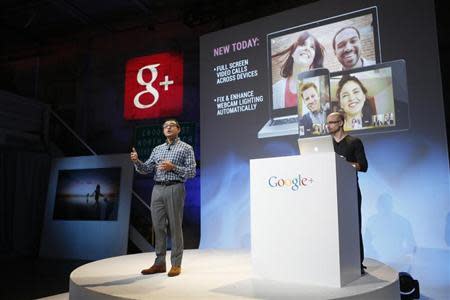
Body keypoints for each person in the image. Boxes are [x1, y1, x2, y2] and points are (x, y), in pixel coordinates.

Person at [130, 119, 196, 277]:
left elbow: (192, 172)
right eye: (165, 126)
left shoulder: (186, 148)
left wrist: (173, 167)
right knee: (158, 227)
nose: (168, 128)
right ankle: (159, 263)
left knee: (174, 226)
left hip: (175, 187)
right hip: (157, 188)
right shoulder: (157, 149)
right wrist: (136, 161)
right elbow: (146, 169)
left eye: (171, 125)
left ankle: (176, 264)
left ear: (178, 129)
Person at [326, 111, 368, 275]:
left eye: (332, 122)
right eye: (327, 123)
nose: (328, 126)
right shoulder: (326, 144)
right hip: (329, 191)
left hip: (349, 190)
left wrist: (342, 164)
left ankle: (357, 262)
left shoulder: (354, 142)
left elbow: (363, 166)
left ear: (341, 123)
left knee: (352, 226)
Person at [272, 31, 325, 109]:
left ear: (313, 59)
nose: (307, 48)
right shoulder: (276, 89)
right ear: (293, 53)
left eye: (312, 47)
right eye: (303, 44)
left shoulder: (321, 88)